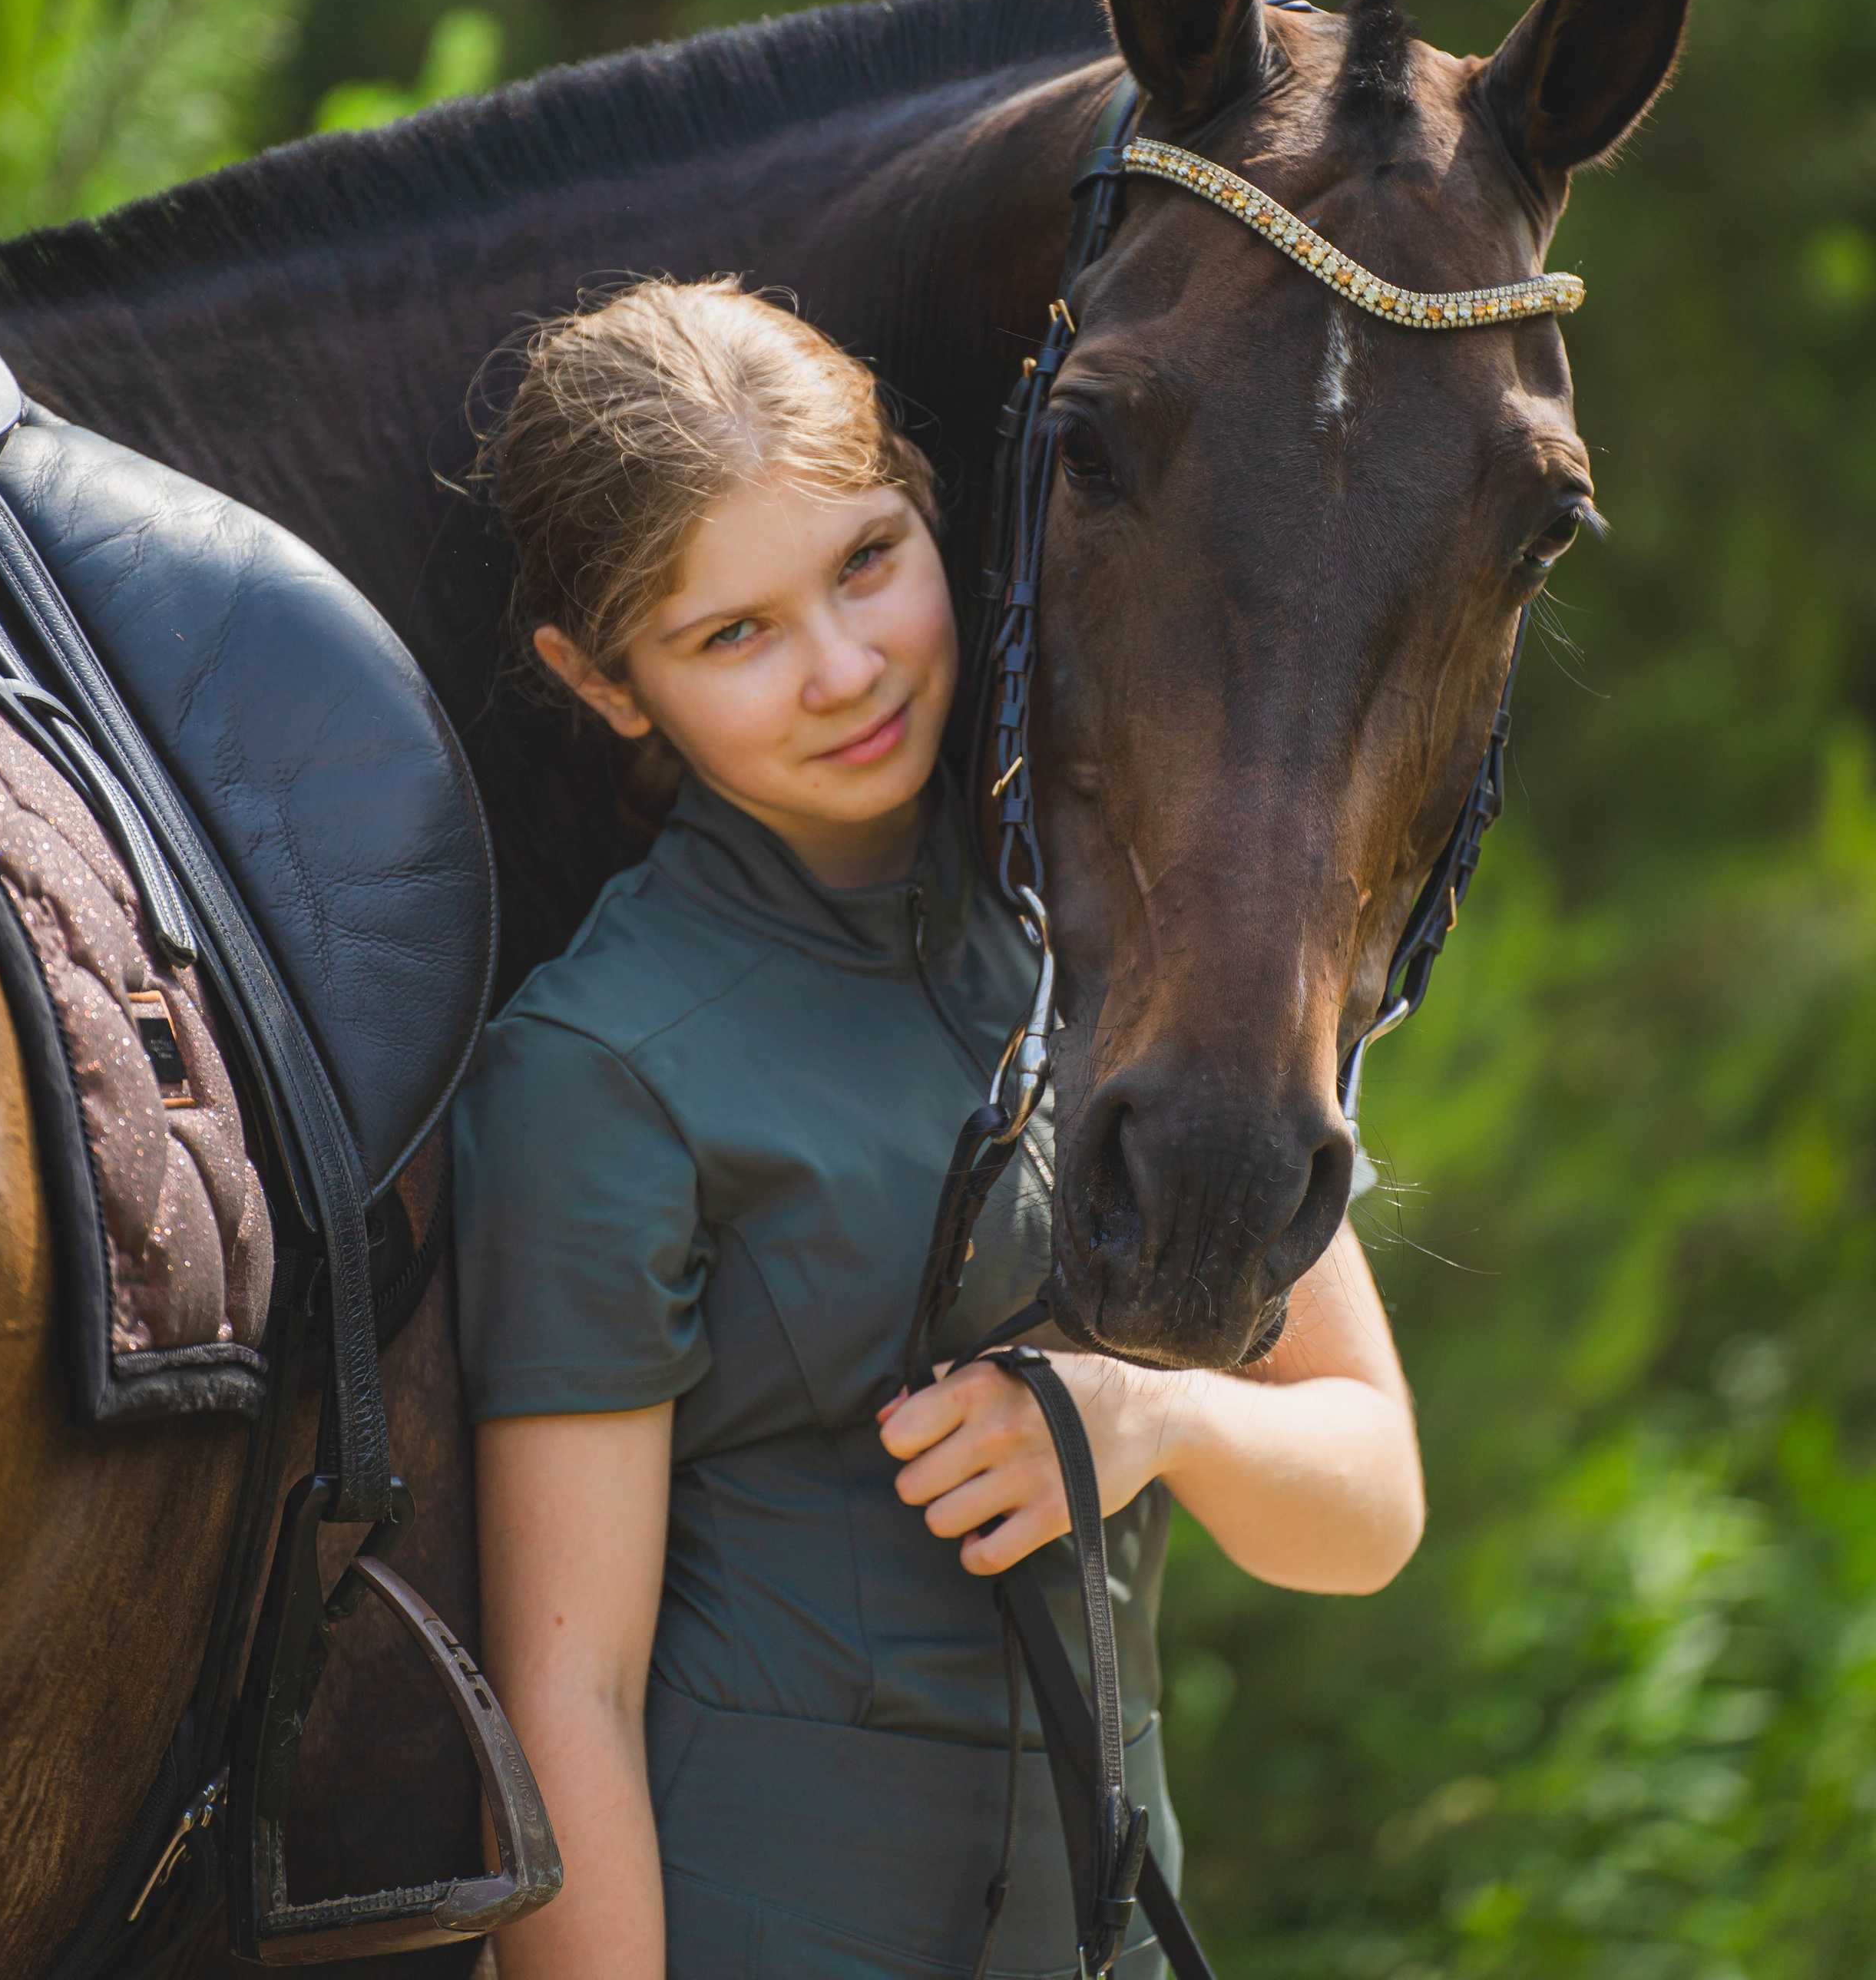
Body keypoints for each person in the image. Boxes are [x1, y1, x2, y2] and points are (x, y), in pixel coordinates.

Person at [453, 279, 1425, 1980]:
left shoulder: (1133, 947)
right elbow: (566, 1700)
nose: (844, 670)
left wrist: (1144, 1420)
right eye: (732, 635)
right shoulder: (595, 1072)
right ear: (604, 684)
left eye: (865, 561)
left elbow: (1368, 1506)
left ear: (928, 501)